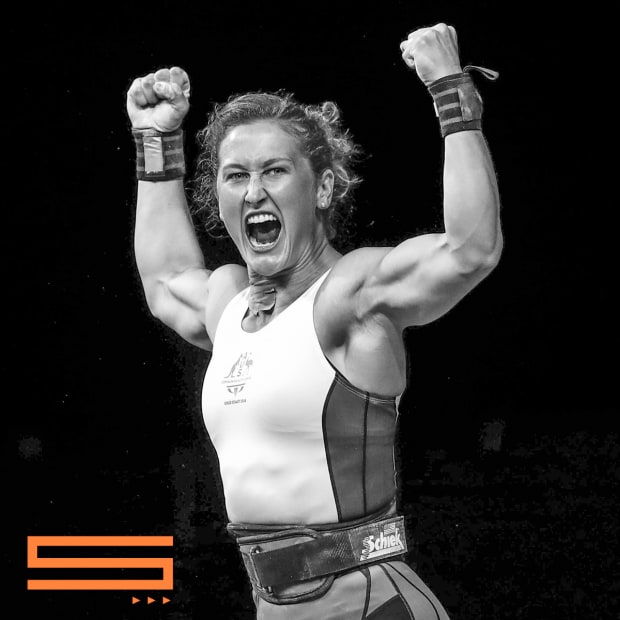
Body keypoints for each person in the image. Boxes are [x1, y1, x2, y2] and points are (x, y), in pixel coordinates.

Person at [126, 22, 502, 620]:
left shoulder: (349, 295)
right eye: (236, 175)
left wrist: (450, 89)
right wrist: (156, 140)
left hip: (373, 604)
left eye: (274, 171)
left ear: (323, 188)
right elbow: (166, 278)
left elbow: (469, 251)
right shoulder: (227, 303)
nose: (253, 192)